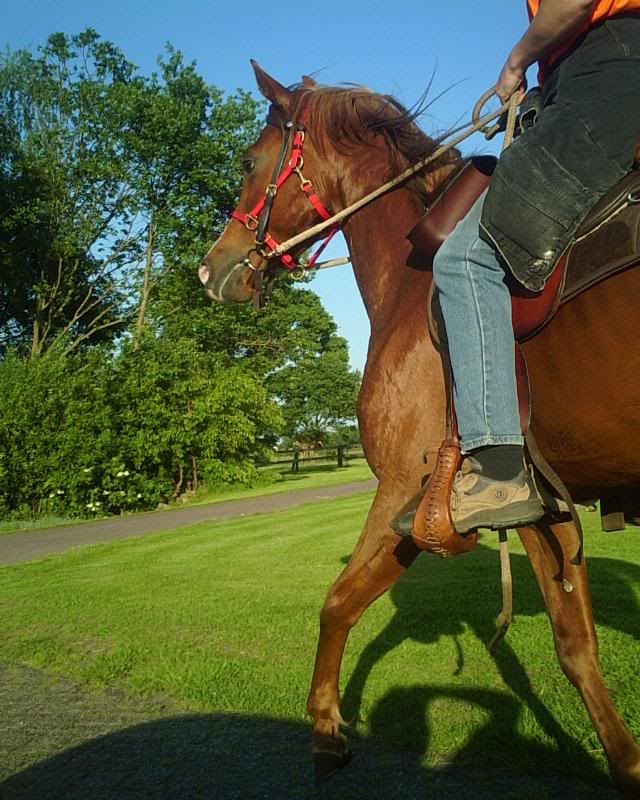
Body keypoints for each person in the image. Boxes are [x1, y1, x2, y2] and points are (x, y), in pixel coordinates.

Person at [432, 0, 640, 533]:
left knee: (463, 259)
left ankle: (498, 470)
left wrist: (517, 60)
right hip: (594, 76)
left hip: (604, 73)